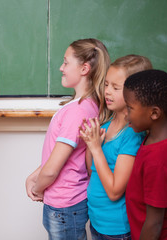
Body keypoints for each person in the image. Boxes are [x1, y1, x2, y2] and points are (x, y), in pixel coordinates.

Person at [25, 38, 111, 240]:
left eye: (66, 62)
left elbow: (53, 168)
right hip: (68, 203)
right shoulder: (86, 105)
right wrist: (34, 175)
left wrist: (38, 188)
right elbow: (63, 155)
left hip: (64, 205)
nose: (61, 67)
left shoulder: (77, 111)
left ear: (84, 69)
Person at [79, 55, 152, 239]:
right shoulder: (105, 126)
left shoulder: (132, 135)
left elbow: (114, 191)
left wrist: (96, 148)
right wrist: (91, 143)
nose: (108, 92)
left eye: (115, 87)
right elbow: (91, 171)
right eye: (106, 85)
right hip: (97, 222)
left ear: (136, 93)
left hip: (116, 229)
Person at [123, 69, 167, 240]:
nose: (126, 115)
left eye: (130, 108)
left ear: (154, 113)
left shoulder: (158, 160)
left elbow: (154, 223)